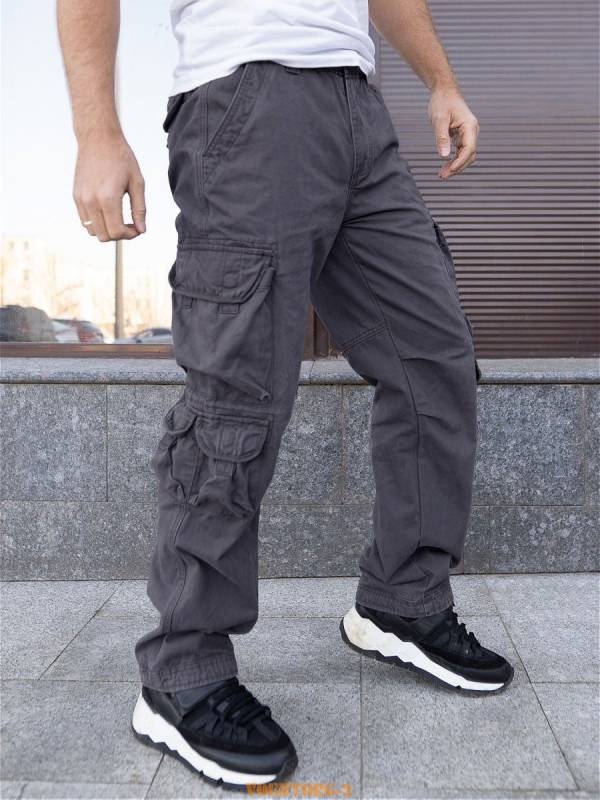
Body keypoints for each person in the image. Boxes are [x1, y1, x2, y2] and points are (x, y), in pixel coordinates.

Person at [58, 0, 514, 789]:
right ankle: (182, 670)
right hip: (248, 95)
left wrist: (441, 80)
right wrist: (97, 132)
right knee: (237, 393)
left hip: (358, 109)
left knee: (433, 359)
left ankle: (403, 600)